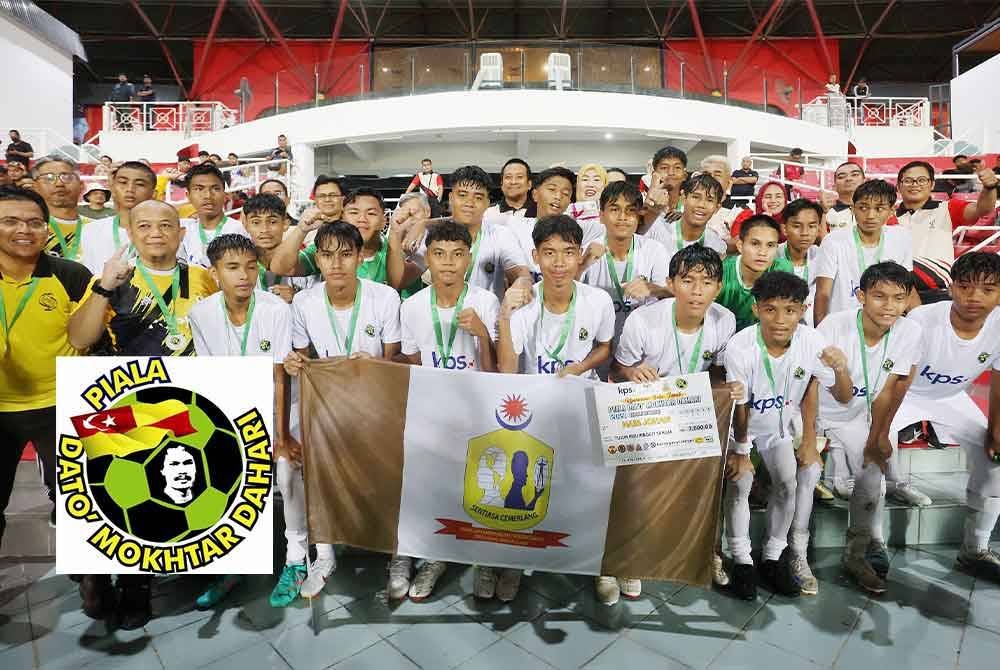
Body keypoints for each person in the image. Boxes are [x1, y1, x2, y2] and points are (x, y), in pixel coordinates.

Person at [67, 199, 217, 629]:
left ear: (181, 233)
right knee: (126, 490)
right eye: (144, 225)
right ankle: (112, 580)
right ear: (129, 233)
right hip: (127, 405)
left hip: (187, 405)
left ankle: (138, 586)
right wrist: (101, 288)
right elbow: (79, 337)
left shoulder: (203, 279)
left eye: (166, 225)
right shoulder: (116, 279)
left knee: (159, 494)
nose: (156, 232)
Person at [495, 214, 615, 602]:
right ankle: (514, 562)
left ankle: (599, 564)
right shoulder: (525, 306)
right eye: (549, 254)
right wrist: (505, 314)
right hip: (536, 409)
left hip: (583, 404)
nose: (559, 263)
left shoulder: (597, 301)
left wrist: (579, 368)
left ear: (580, 256)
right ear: (535, 257)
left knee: (590, 489)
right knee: (523, 486)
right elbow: (507, 368)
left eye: (567, 253)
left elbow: (604, 349)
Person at [612, 243, 742, 599]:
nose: (697, 291)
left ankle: (709, 552)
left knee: (719, 473)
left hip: (692, 413)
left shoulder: (724, 320)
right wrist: (634, 371)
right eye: (687, 280)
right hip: (647, 411)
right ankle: (625, 560)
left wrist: (728, 389)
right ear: (671, 283)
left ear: (718, 288)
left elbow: (717, 373)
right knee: (628, 477)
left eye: (706, 282)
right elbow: (618, 368)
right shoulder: (644, 320)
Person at [283, 221, 402, 598]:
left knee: (392, 469)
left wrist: (373, 363)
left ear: (360, 256)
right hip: (327, 401)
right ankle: (324, 553)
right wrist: (293, 364)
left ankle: (398, 554)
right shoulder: (304, 302)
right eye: (328, 255)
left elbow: (394, 357)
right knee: (303, 464)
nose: (337, 264)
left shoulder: (384, 298)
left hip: (375, 400)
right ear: (317, 259)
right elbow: (301, 357)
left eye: (346, 254)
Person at [724, 271, 852, 600]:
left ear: (803, 310)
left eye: (790, 310)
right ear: (756, 310)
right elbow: (740, 405)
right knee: (740, 484)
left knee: (788, 483)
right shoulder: (740, 346)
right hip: (740, 428)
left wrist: (840, 369)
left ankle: (772, 557)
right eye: (770, 310)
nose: (780, 320)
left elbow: (843, 396)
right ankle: (741, 561)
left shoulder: (811, 341)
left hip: (777, 428)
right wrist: (740, 451)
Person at [392, 220, 500, 601]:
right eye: (439, 255)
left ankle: (485, 559)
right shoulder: (413, 306)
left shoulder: (486, 302)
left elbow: (494, 372)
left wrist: (483, 335)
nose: (449, 263)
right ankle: (434, 558)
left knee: (481, 488)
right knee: (433, 489)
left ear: (469, 259)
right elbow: (414, 363)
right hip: (432, 414)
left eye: (457, 255)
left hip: (477, 411)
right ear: (427, 258)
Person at [188, 233, 295, 609]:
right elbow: (208, 378)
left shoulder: (276, 310)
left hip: (277, 408)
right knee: (224, 484)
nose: (244, 275)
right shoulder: (199, 314)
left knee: (286, 472)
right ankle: (232, 566)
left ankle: (296, 558)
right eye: (232, 268)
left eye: (251, 266)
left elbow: (281, 376)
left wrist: (280, 436)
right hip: (229, 412)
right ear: (215, 272)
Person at [887, 252, 1000, 582]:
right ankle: (870, 546)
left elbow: (998, 381)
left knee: (994, 464)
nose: (974, 297)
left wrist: (995, 431)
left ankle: (974, 550)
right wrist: (880, 432)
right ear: (951, 288)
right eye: (965, 287)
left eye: (988, 289)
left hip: (952, 397)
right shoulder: (923, 319)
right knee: (871, 456)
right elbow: (900, 379)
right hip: (906, 394)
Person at [816, 262, 922, 593]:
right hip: (815, 408)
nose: (889, 306)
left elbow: (890, 387)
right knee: (796, 477)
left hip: (855, 414)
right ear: (861, 296)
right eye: (879, 297)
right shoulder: (834, 325)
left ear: (907, 301)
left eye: (897, 298)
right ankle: (787, 554)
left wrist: (878, 437)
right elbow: (806, 385)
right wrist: (808, 436)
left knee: (872, 471)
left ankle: (856, 553)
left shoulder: (909, 331)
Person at [0, 186, 91, 547]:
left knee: (77, 502)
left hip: (60, 404)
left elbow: (90, 336)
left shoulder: (70, 275)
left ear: (47, 228)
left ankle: (90, 583)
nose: (24, 229)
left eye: (34, 222)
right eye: (10, 221)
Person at [578, 181, 669, 357]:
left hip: (642, 350)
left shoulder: (654, 249)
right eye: (614, 209)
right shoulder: (588, 251)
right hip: (595, 347)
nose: (622, 217)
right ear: (601, 215)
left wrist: (652, 288)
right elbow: (566, 296)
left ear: (639, 216)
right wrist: (581, 266)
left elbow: (674, 293)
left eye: (630, 210)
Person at [813, 180, 914, 325]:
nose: (870, 215)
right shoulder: (833, 241)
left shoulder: (901, 238)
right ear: (853, 209)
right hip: (843, 325)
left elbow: (908, 288)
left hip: (885, 324)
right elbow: (823, 294)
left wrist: (920, 319)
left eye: (879, 208)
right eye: (863, 207)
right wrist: (821, 333)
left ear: (892, 211)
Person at [895, 160, 998, 301]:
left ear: (932, 184)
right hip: (899, 291)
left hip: (938, 289)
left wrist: (989, 187)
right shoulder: (889, 217)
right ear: (898, 186)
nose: (915, 184)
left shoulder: (947, 208)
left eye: (921, 180)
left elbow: (982, 209)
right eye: (908, 180)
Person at [716, 215, 794, 332]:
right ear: (740, 246)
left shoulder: (782, 270)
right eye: (755, 244)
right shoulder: (721, 273)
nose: (762, 252)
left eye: (770, 245)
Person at [79, 161, 156, 274]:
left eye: (139, 184)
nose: (130, 189)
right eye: (123, 182)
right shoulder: (91, 230)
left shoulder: (165, 233)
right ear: (113, 188)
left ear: (153, 193)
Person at [241, 194, 314, 301]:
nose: (264, 229)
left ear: (285, 223)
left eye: (272, 222)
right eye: (256, 222)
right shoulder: (238, 264)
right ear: (246, 225)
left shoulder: (303, 258)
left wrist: (297, 298)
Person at [645, 173, 728, 260]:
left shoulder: (717, 246)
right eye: (696, 197)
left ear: (717, 208)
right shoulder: (657, 231)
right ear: (683, 198)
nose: (701, 205)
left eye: (710, 200)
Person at [178, 163, 247, 268]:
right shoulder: (184, 230)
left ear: (224, 194)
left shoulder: (239, 229)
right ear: (188, 196)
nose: (208, 196)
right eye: (199, 189)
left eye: (215, 189)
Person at [33, 156, 89, 262]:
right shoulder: (25, 229)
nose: (59, 184)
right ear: (34, 186)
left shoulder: (98, 228)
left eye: (67, 177)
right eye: (49, 178)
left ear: (81, 186)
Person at [779, 199, 823, 327]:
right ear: (785, 228)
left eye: (812, 226)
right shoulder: (772, 256)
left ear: (819, 228)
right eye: (797, 226)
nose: (805, 233)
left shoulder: (824, 256)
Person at [639, 146, 688, 233]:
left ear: (684, 175)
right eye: (664, 168)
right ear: (654, 174)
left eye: (677, 168)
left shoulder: (690, 204)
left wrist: (686, 218)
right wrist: (652, 208)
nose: (671, 173)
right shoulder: (641, 202)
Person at [566, 163, 608, 228]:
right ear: (578, 185)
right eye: (585, 179)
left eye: (596, 180)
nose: (590, 184)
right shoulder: (566, 211)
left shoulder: (611, 212)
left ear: (605, 186)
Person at [826, 162, 865, 231]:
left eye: (854, 175)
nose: (848, 179)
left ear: (864, 181)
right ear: (834, 186)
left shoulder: (878, 209)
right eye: (841, 177)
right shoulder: (826, 212)